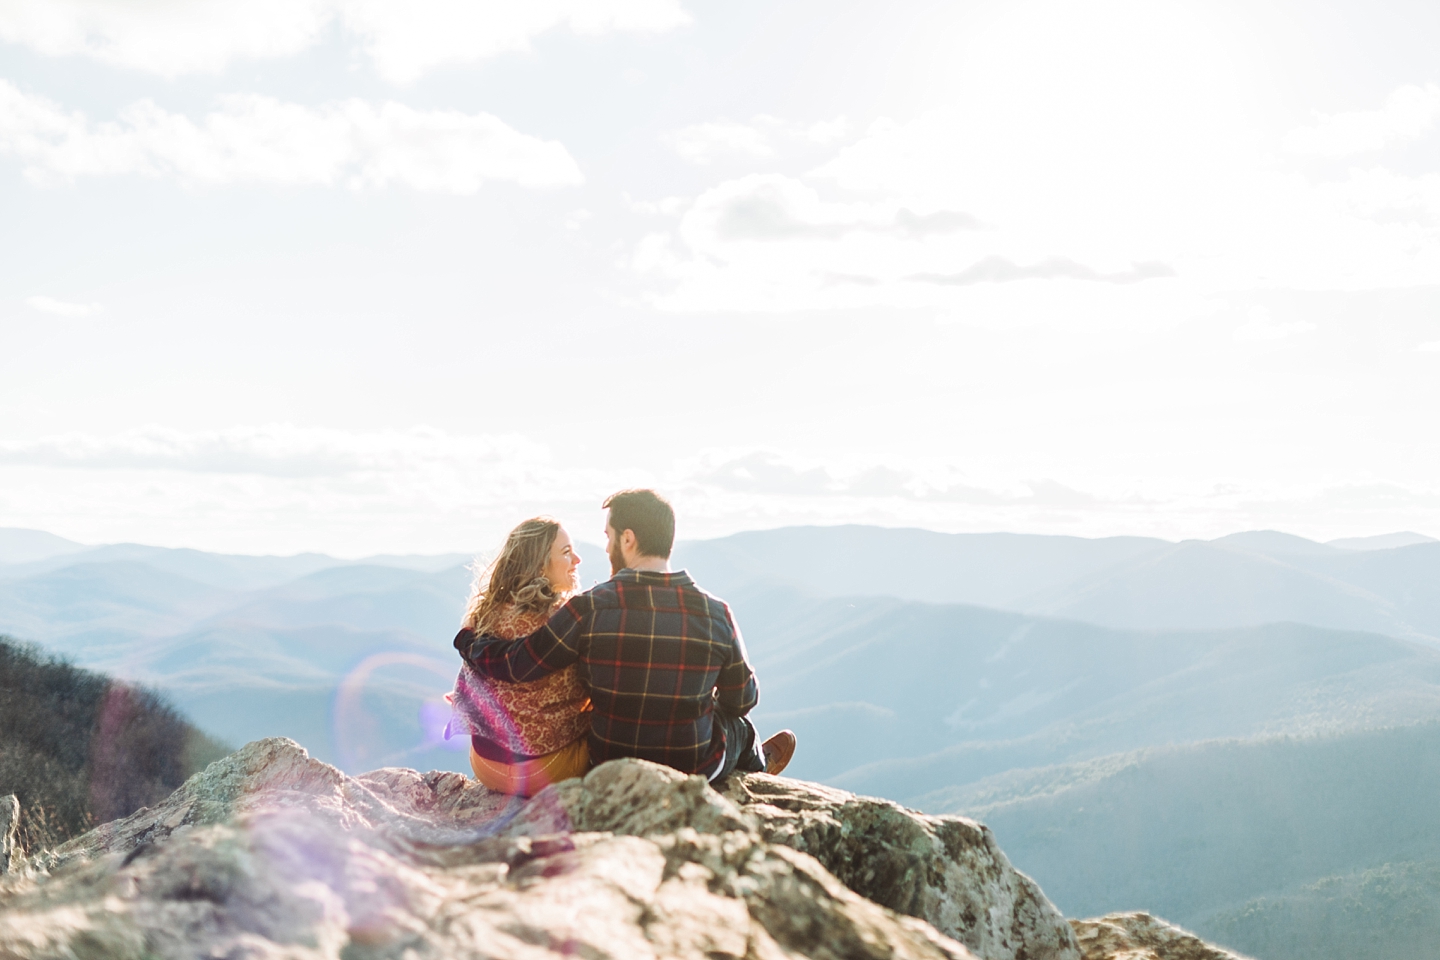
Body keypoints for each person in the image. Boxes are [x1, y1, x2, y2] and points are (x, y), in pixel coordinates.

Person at [456, 488, 796, 783]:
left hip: (609, 762)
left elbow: (520, 665)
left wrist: (469, 642)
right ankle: (758, 769)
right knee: (741, 726)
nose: (605, 548)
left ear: (628, 539)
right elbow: (743, 700)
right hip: (694, 766)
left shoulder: (588, 608)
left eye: (608, 536)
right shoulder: (716, 613)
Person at [445, 517, 592, 797]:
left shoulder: (484, 614)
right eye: (566, 552)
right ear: (539, 564)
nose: (577, 559)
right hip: (544, 772)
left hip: (486, 765)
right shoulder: (564, 620)